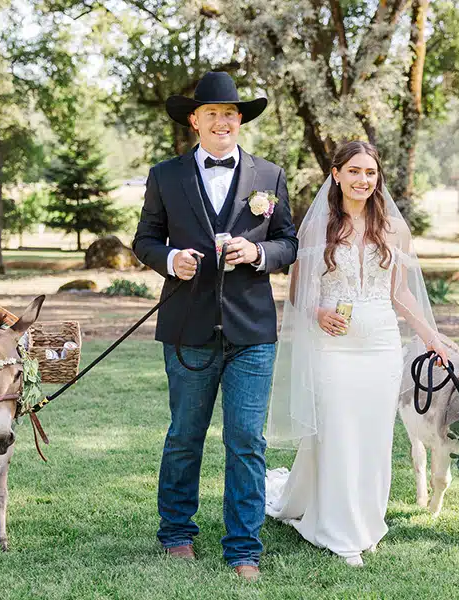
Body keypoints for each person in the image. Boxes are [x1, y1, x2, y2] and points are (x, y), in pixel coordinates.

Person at [132, 71, 298, 581]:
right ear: (194, 121)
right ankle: (177, 533)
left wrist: (258, 251)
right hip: (187, 327)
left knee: (247, 440)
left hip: (251, 330)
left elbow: (289, 242)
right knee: (185, 434)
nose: (223, 121)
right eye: (212, 114)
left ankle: (244, 546)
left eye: (231, 113)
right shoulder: (166, 175)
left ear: (240, 120)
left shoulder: (268, 176)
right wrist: (170, 258)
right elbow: (145, 240)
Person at [265, 141, 455, 567]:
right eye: (353, 171)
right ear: (336, 174)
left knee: (372, 437)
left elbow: (401, 293)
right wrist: (319, 312)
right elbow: (297, 290)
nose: (362, 180)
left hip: (382, 347)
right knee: (337, 432)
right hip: (334, 347)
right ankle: (338, 530)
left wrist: (432, 339)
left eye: (370, 173)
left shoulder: (393, 228)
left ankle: (367, 522)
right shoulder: (318, 228)